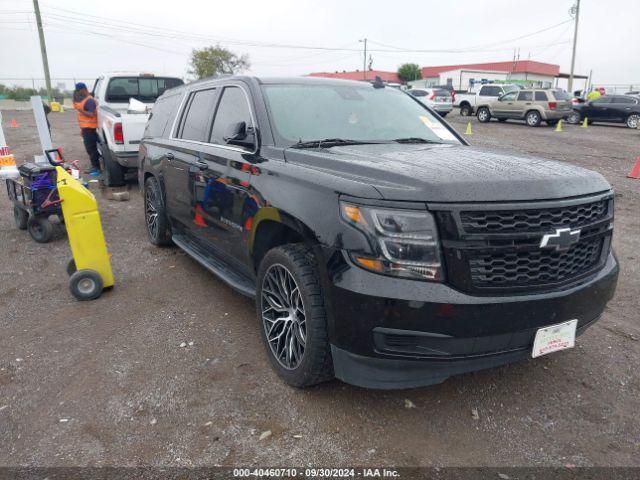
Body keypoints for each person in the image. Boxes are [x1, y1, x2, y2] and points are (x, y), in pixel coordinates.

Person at [72, 82, 101, 176]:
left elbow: (91, 114)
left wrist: (80, 110)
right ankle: (95, 166)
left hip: (90, 128)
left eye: (79, 91)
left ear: (83, 89)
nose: (78, 93)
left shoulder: (89, 101)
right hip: (86, 128)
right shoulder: (85, 100)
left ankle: (96, 168)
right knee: (90, 148)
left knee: (91, 149)